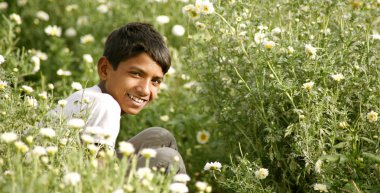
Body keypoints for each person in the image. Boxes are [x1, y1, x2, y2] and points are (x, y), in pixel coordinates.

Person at [52, 22, 186, 174]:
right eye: (136, 74)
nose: (145, 90)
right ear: (104, 69)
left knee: (161, 137)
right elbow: (97, 180)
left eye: (155, 81)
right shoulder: (106, 105)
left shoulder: (89, 95)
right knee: (168, 159)